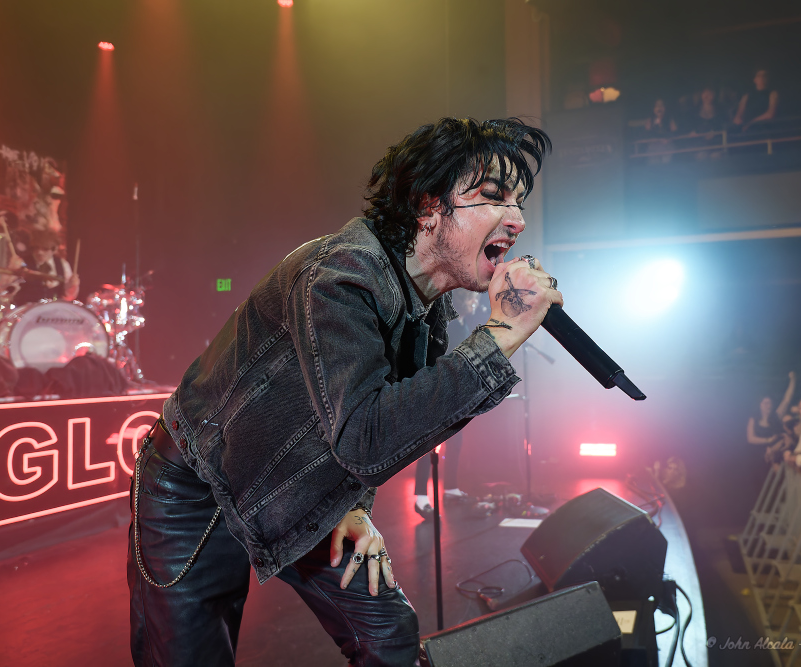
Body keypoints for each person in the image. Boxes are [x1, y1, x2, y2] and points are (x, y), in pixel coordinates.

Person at [128, 117, 557, 666]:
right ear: (428, 207)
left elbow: (366, 410)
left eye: (520, 203)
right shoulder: (340, 276)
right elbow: (366, 436)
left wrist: (351, 503)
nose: (517, 220)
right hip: (200, 489)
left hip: (298, 488)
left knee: (387, 637)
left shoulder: (426, 302)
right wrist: (500, 337)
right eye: (494, 197)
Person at [413, 289, 486, 518]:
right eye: (472, 299)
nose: (475, 303)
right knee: (428, 446)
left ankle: (451, 487)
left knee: (455, 441)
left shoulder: (464, 324)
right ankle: (420, 497)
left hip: (454, 391)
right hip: (439, 389)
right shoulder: (449, 325)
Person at [12, 228, 79, 307]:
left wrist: (72, 286)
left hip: (52, 312)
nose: (39, 252)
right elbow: (9, 291)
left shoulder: (63, 264)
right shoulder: (21, 262)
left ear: (54, 249)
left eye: (45, 249)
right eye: (36, 248)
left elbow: (69, 296)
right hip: (27, 312)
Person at [748, 371, 797, 453]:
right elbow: (750, 439)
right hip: (755, 453)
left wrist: (793, 380)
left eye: (770, 403)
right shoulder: (754, 419)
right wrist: (769, 440)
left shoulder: (777, 415)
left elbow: (787, 400)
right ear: (760, 405)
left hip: (775, 452)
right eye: (765, 403)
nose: (769, 405)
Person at [733, 68, 779, 133]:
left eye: (765, 75)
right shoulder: (747, 96)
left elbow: (770, 114)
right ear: (755, 80)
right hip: (747, 131)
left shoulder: (773, 94)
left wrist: (751, 123)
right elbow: (738, 116)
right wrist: (738, 121)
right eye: (760, 75)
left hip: (764, 130)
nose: (763, 78)